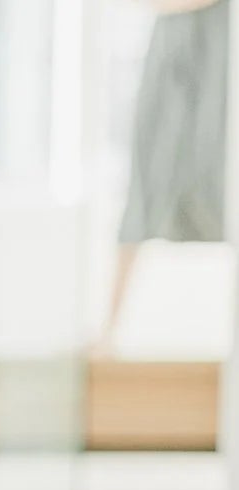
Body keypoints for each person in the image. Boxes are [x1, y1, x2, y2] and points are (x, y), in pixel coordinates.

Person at [99, 0, 228, 353]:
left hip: (222, 48)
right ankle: (108, 333)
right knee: (146, 176)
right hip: (173, 49)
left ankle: (108, 333)